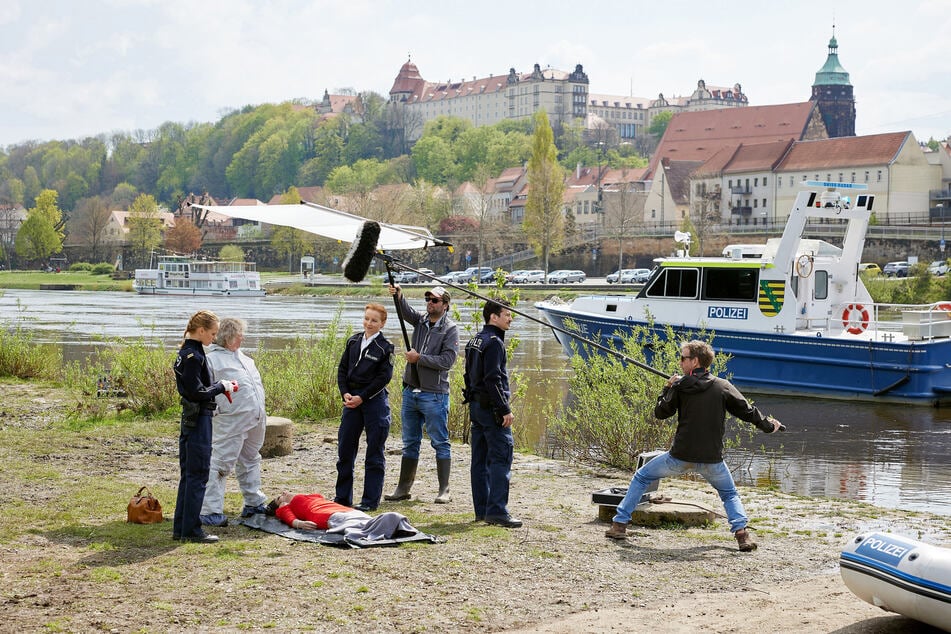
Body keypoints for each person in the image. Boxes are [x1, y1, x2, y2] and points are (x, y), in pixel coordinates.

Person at [604, 339, 782, 551]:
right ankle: (742, 535)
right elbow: (748, 412)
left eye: (683, 358)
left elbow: (661, 413)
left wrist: (667, 388)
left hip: (679, 457)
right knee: (729, 494)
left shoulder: (680, 387)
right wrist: (768, 426)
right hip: (711, 459)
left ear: (695, 361)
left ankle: (619, 525)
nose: (680, 362)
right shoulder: (722, 386)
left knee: (642, 476)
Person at [384, 284, 459, 504]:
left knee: (440, 442)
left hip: (434, 394)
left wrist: (420, 359)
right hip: (410, 391)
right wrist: (399, 295)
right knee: (409, 442)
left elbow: (448, 361)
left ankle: (444, 489)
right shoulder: (421, 321)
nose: (429, 303)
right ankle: (403, 488)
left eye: (434, 300)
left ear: (445, 305)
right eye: (427, 299)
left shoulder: (450, 329)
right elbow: (405, 311)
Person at [172, 310, 238, 544]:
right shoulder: (194, 356)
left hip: (193, 419)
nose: (214, 337)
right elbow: (197, 393)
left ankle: (181, 527)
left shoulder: (189, 352)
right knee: (198, 474)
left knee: (189, 475)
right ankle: (191, 529)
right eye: (212, 333)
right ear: (200, 331)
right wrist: (222, 386)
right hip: (198, 419)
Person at [199, 317, 269, 527]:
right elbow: (205, 390)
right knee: (221, 463)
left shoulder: (246, 360)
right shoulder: (211, 361)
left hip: (254, 418)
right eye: (239, 335)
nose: (243, 338)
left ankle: (254, 501)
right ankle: (210, 510)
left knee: (250, 458)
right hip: (230, 420)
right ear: (229, 338)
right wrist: (217, 411)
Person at [464, 300, 521, 528]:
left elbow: (468, 375)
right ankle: (497, 511)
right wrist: (504, 409)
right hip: (490, 409)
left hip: (476, 407)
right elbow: (493, 378)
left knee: (479, 460)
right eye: (506, 314)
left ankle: (482, 510)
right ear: (493, 317)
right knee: (500, 457)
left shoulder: (475, 340)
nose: (510, 318)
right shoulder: (495, 343)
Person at [335, 303, 395, 511]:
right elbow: (342, 370)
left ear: (382, 323)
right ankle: (342, 498)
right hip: (351, 402)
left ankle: (369, 501)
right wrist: (345, 393)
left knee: (374, 453)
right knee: (345, 450)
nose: (369, 323)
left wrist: (362, 396)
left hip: (374, 403)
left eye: (374, 320)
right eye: (367, 319)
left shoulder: (385, 348)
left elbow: (384, 378)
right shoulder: (353, 341)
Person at [267, 491, 421, 541]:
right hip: (329, 516)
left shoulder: (312, 495)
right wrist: (297, 524)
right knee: (367, 524)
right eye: (280, 496)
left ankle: (395, 527)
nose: (284, 493)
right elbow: (284, 513)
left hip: (346, 510)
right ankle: (393, 525)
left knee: (370, 520)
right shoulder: (287, 506)